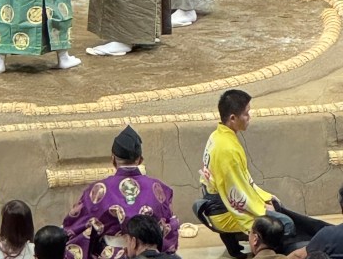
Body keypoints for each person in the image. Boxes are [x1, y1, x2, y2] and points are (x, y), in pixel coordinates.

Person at [199, 90, 326, 254]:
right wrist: (261, 210)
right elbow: (236, 194)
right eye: (246, 113)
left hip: (217, 200)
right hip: (224, 211)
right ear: (233, 118)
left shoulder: (217, 136)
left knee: (275, 203)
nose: (249, 117)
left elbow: (241, 180)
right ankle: (275, 255)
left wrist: (264, 196)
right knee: (284, 224)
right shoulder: (227, 149)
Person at [63, 125, 179, 259]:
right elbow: (169, 228)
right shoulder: (159, 189)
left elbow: (75, 227)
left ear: (113, 159)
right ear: (140, 159)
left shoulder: (97, 190)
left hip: (110, 255)